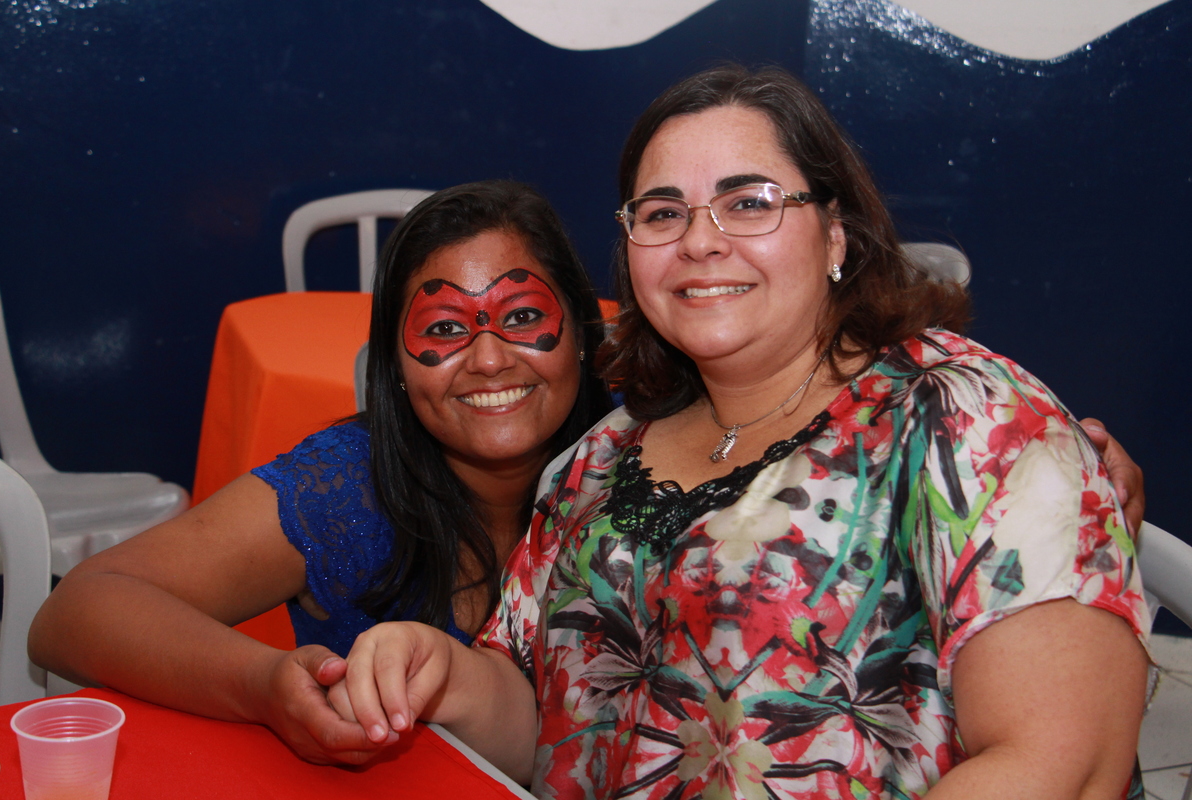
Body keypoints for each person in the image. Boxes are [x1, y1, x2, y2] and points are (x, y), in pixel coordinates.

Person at [331, 65, 1153, 799]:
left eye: (748, 202)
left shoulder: (970, 420)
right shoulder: (597, 460)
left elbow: (1063, 763)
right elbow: (552, 726)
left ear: (835, 233)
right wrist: (444, 674)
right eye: (662, 213)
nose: (698, 241)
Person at [27, 180, 614, 765]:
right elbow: (74, 612)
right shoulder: (349, 489)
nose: (488, 359)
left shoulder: (639, 462)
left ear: (583, 335)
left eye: (523, 316)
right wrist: (261, 686)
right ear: (395, 364)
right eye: (443, 328)